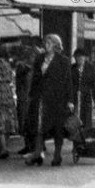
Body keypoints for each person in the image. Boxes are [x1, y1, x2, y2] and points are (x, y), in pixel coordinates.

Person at [25, 34, 73, 167]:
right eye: (45, 43)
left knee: (57, 127)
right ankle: (37, 153)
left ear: (56, 45)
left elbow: (68, 82)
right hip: (40, 98)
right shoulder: (39, 58)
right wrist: (31, 95)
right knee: (39, 126)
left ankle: (57, 155)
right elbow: (35, 78)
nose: (46, 45)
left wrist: (70, 100)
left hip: (57, 99)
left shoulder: (63, 61)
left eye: (49, 43)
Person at [0, 45, 17, 159]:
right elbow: (12, 81)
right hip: (8, 93)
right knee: (7, 121)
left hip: (0, 91)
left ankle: (3, 148)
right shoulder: (7, 64)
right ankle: (4, 145)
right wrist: (14, 96)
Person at [13, 46, 37, 155]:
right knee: (24, 123)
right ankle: (27, 145)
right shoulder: (23, 68)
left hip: (30, 99)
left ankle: (32, 146)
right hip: (23, 98)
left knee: (30, 123)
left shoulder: (33, 69)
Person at [71, 49, 95, 129]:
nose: (79, 59)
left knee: (86, 119)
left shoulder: (90, 68)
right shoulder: (72, 68)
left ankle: (86, 136)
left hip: (86, 97)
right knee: (75, 119)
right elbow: (69, 85)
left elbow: (94, 85)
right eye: (77, 57)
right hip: (74, 97)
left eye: (81, 57)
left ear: (84, 58)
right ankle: (76, 137)